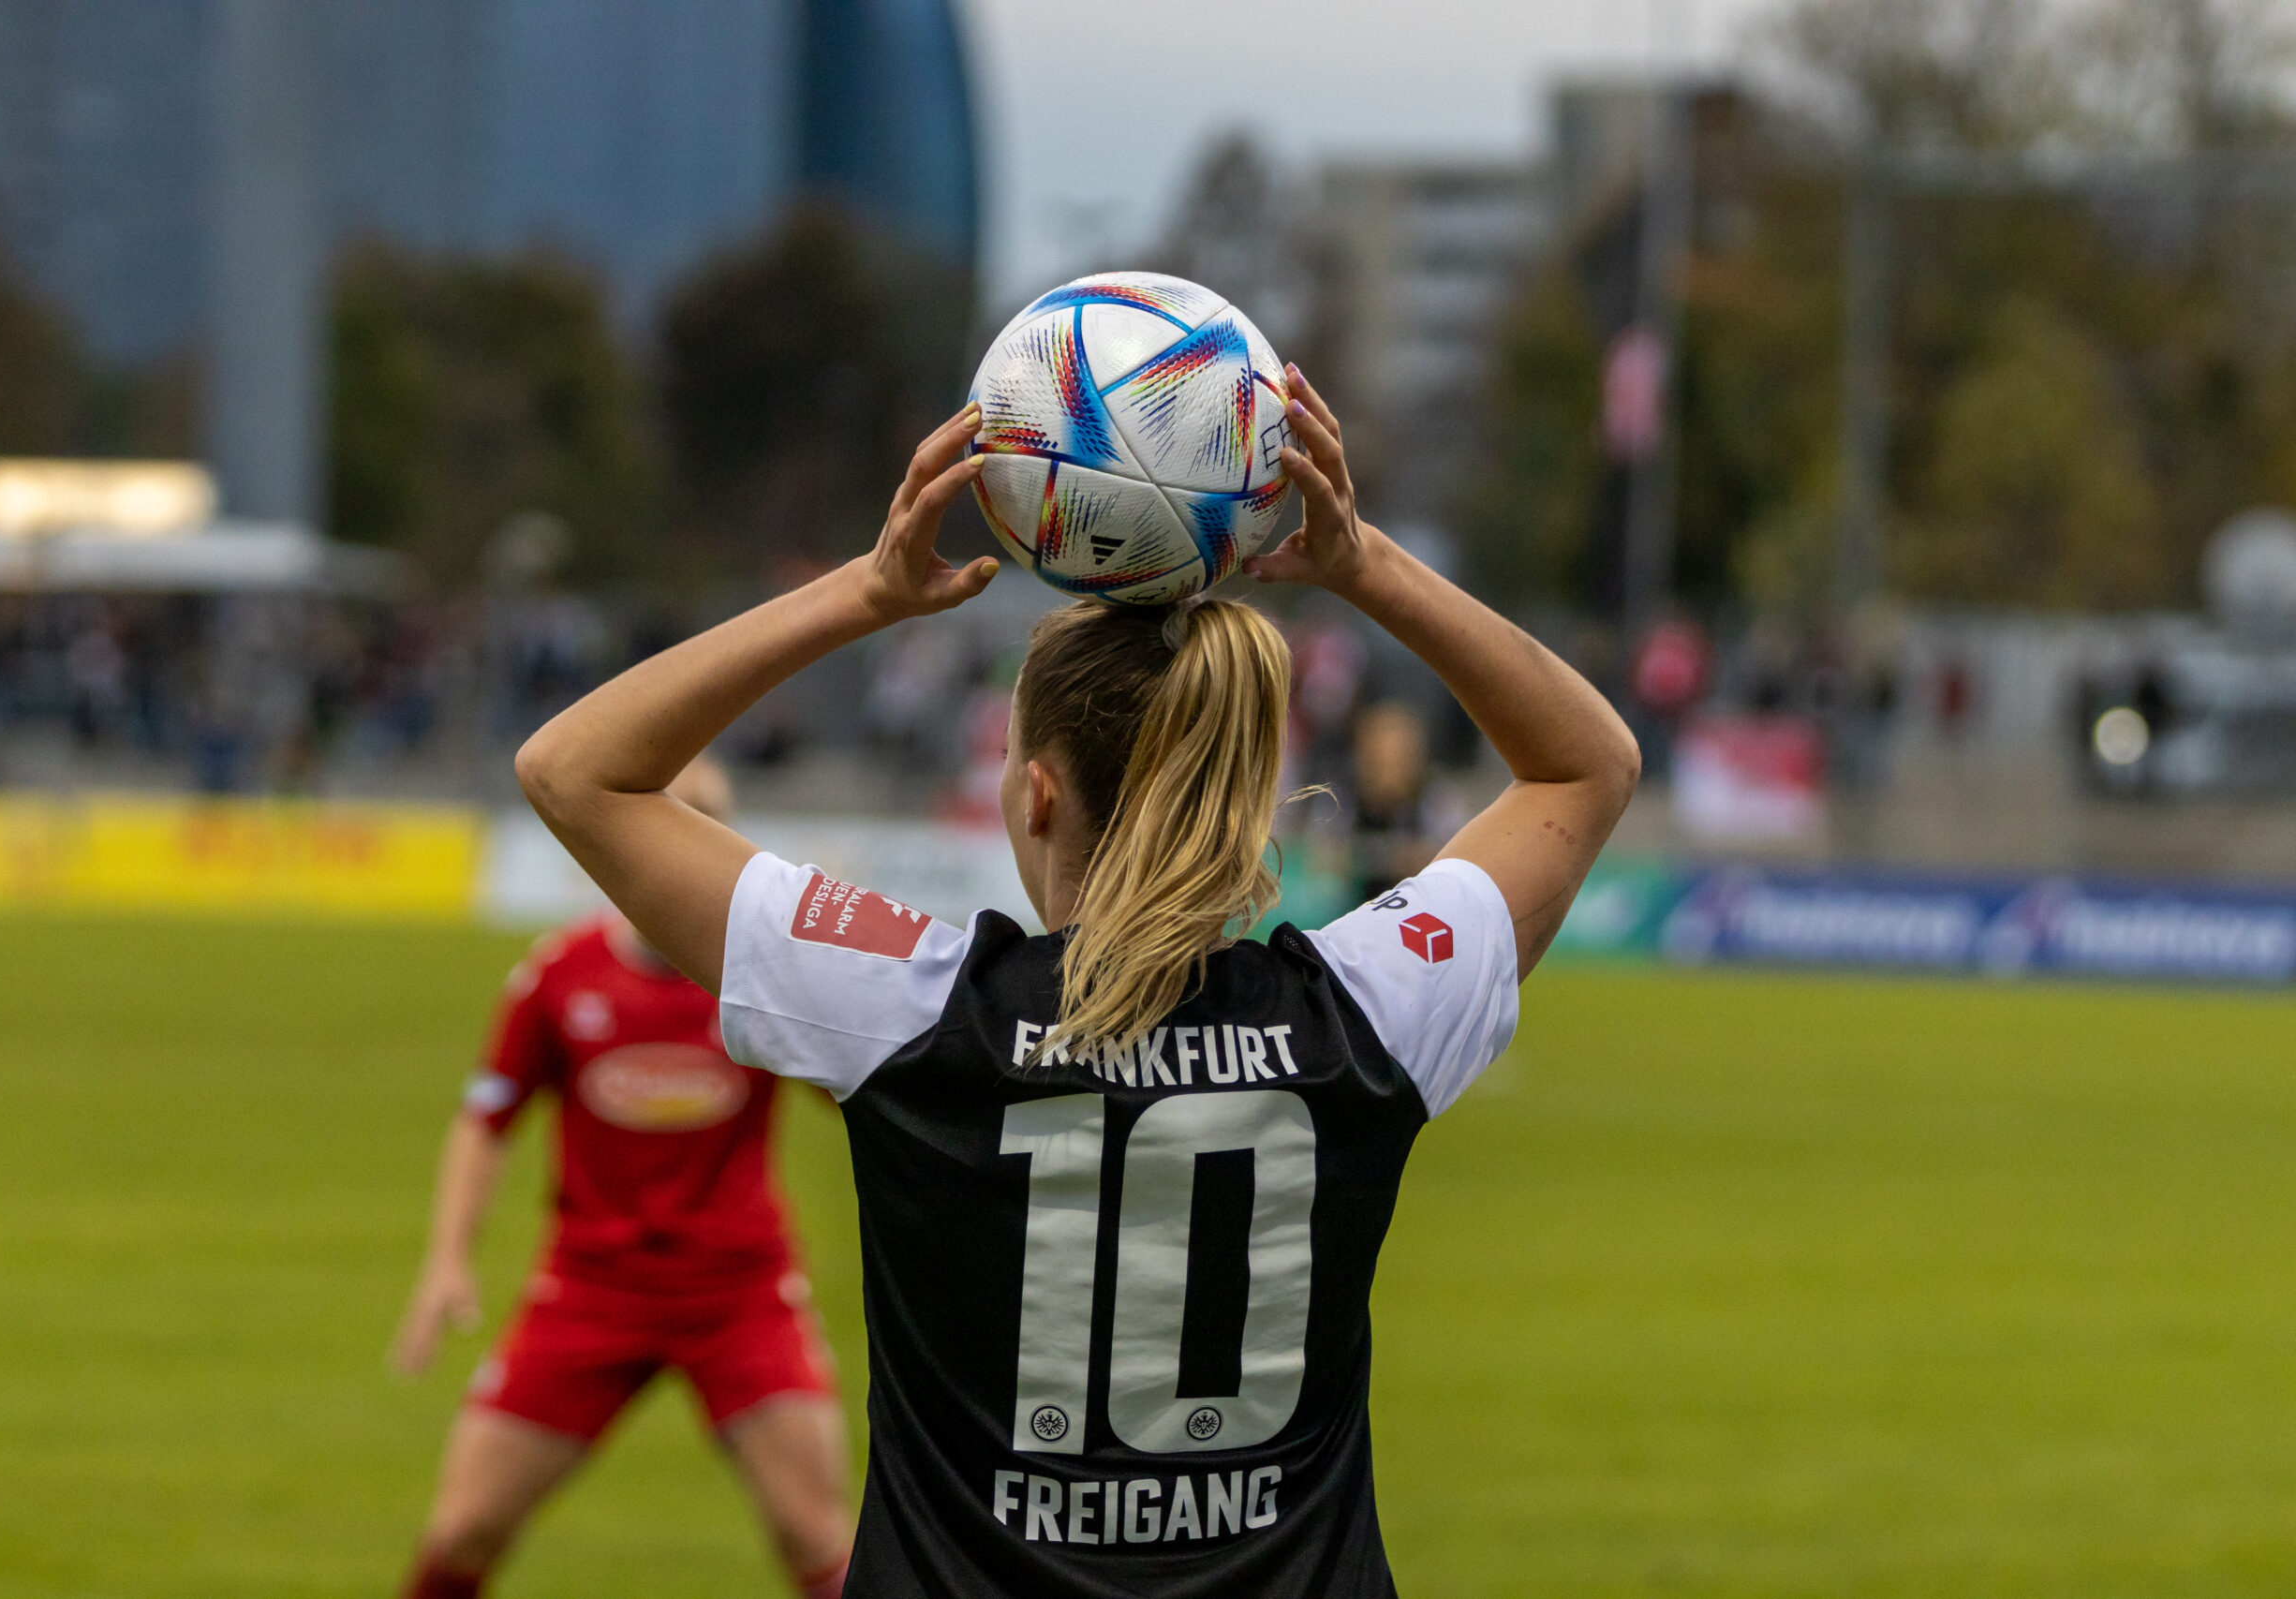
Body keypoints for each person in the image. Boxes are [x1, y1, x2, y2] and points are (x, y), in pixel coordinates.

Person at [511, 369, 1640, 1595]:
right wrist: (1365, 568)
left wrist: (866, 592)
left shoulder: (912, 1010)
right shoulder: (1361, 1011)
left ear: (1037, 792)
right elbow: (1584, 767)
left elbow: (578, 770)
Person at [389, 757, 852, 1599]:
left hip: (739, 1290)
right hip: (592, 1287)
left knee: (817, 1537)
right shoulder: (559, 975)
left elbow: (855, 1096)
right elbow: (486, 1117)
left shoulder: (759, 984)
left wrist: (831, 993)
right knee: (462, 1529)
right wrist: (448, 1258)